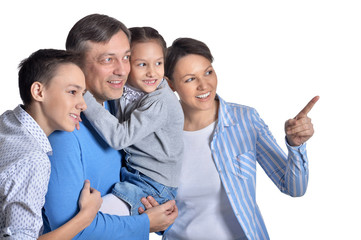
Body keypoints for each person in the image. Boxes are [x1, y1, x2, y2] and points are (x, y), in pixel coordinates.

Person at [160, 37, 319, 240]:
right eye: (190, 79)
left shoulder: (245, 120)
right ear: (170, 84)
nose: (204, 85)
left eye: (208, 72)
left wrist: (295, 146)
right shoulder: (159, 134)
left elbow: (294, 188)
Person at [42, 14, 178, 240]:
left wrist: (159, 214)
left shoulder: (117, 104)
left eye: (126, 57)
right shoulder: (63, 133)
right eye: (107, 60)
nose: (123, 70)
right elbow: (71, 232)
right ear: (76, 65)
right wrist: (144, 222)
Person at [0, 49, 102, 239]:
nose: (83, 104)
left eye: (82, 94)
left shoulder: (7, 121)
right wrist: (86, 216)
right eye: (72, 92)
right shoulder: (33, 160)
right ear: (38, 91)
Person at [83, 26, 184, 216]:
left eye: (159, 63)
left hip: (154, 186)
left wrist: (84, 94)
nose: (152, 73)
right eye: (142, 64)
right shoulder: (125, 86)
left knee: (93, 219)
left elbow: (120, 138)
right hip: (132, 174)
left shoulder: (160, 101)